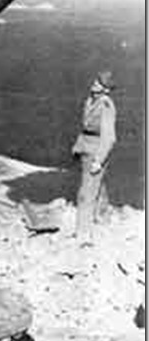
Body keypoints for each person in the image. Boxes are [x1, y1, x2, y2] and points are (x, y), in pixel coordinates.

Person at [72, 71, 117, 242]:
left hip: (96, 150)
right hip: (86, 146)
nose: (94, 84)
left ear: (105, 90)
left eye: (99, 84)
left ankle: (84, 234)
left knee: (86, 192)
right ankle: (102, 217)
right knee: (97, 184)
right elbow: (86, 128)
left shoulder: (106, 105)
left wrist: (99, 160)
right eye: (95, 81)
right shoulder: (91, 100)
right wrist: (78, 147)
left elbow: (109, 137)